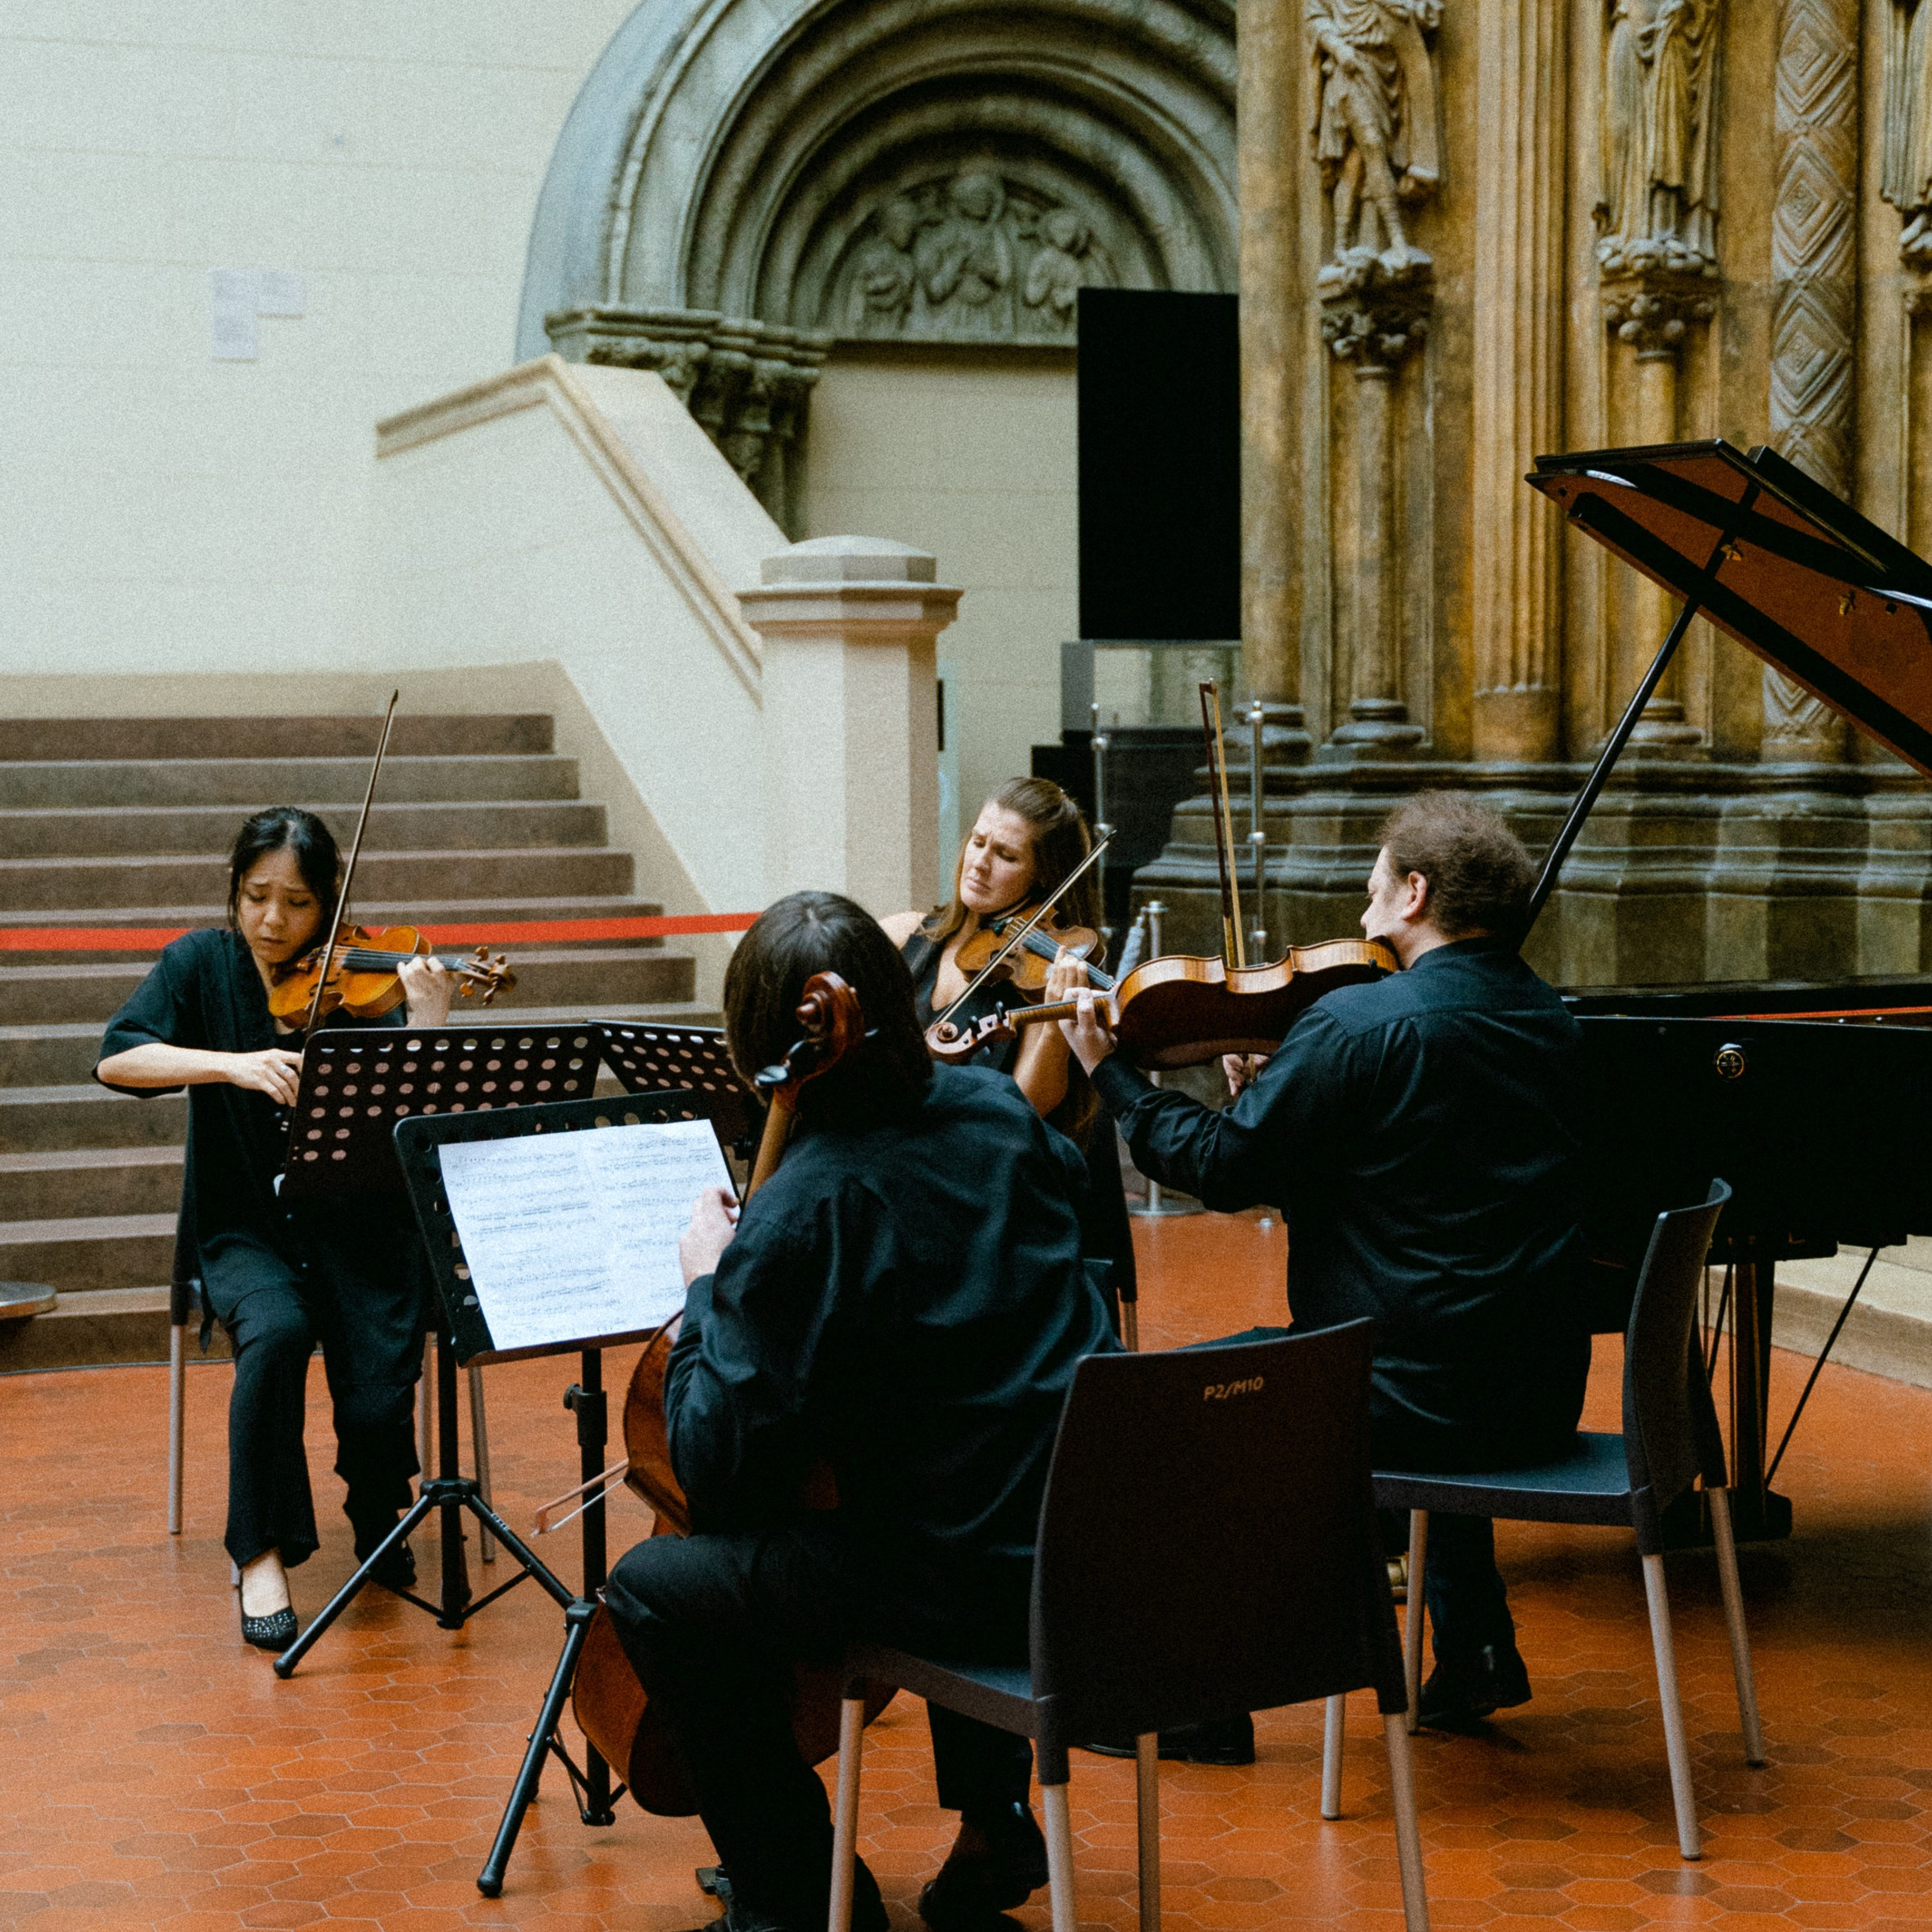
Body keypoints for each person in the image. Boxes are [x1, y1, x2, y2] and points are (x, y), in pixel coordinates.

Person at [603, 891, 1117, 1932]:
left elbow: (713, 1468)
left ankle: (796, 1898)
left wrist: (709, 1281)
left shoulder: (809, 1205)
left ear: (763, 1047)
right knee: (973, 1440)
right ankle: (993, 1818)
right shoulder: (998, 1111)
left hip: (961, 1580)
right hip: (1087, 1539)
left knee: (656, 1586)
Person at [1060, 792, 1592, 1729]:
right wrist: (1287, 1099)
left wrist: (1109, 1072)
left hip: (1396, 1401)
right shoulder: (1553, 1020)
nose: (1362, 911)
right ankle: (1474, 1645)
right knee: (1444, 1321)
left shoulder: (1359, 1023)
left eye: (1374, 888)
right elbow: (1422, 1178)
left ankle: (1198, 1708)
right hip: (1534, 1397)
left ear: (1415, 893)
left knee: (1146, 1408)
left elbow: (1221, 1170)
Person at [94, 807, 453, 1650]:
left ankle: (379, 1510)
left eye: (297, 904)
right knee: (278, 1332)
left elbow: (418, 1115)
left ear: (328, 905)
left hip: (356, 1226)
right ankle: (260, 1552)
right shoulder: (199, 963)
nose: (272, 921)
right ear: (235, 890)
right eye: (256, 896)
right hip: (244, 1227)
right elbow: (117, 1057)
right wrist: (230, 1064)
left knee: (377, 1387)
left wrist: (429, 1024)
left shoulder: (363, 981)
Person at [879, 776, 1137, 1328]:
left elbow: (1028, 1104)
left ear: (1043, 876)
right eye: (978, 842)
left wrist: (1058, 1012)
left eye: (1006, 855)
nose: (979, 863)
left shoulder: (1050, 971)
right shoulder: (906, 937)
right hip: (903, 1173)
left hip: (986, 1189)